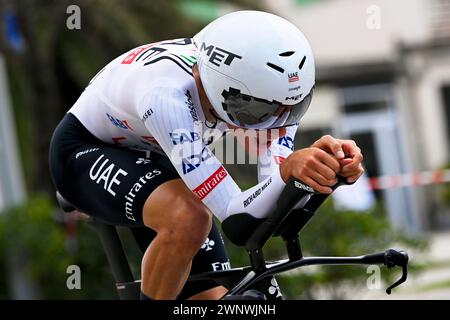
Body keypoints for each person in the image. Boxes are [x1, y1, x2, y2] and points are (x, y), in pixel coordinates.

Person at [49, 10, 364, 300]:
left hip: (156, 155)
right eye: (259, 111)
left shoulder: (272, 99)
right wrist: (287, 174)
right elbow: (238, 221)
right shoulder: (165, 97)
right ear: (218, 85)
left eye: (294, 108)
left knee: (212, 302)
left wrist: (320, 171)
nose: (276, 122)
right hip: (85, 149)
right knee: (189, 217)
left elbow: (271, 210)